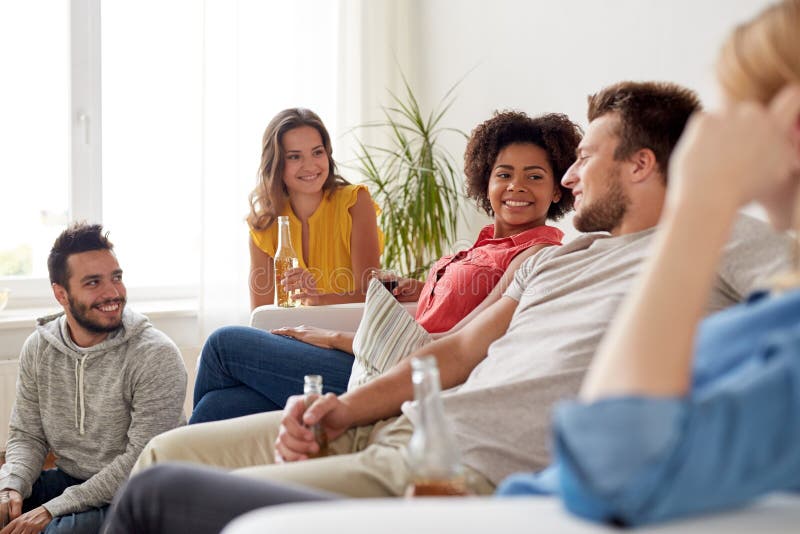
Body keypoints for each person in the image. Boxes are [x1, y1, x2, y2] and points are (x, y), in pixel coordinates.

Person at [101, 81, 790, 533]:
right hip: (393, 425)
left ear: (641, 165)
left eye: (583, 157)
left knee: (155, 502)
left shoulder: (716, 238)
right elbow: (455, 351)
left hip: (453, 467)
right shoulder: (550, 257)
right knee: (162, 454)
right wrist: (339, 409)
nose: (569, 177)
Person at [498, 0, 800, 526]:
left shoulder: (729, 245)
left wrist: (701, 204)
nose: (712, 133)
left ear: (790, 124)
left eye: (735, 113)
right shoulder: (781, 308)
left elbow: (611, 464)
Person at [190, 111, 580, 423]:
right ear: (486, 180)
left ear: (558, 188)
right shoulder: (485, 244)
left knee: (224, 345)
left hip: (395, 374)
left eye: (534, 176)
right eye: (504, 175)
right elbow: (445, 312)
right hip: (380, 357)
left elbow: (455, 345)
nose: (516, 187)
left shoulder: (534, 255)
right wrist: (422, 287)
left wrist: (335, 337)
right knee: (220, 407)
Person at [0, 223, 187, 534]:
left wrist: (51, 510)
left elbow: (138, 463)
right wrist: (11, 486)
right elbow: (28, 435)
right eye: (93, 283)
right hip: (73, 479)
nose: (112, 293)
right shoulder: (39, 347)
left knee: (55, 532)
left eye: (116, 277)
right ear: (61, 294)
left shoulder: (155, 354)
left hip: (141, 492)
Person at [248, 107, 382, 309]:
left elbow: (372, 294)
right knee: (227, 337)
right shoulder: (265, 223)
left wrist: (318, 298)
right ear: (275, 163)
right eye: (294, 156)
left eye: (317, 152)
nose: (310, 165)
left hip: (350, 337)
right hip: (295, 338)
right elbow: (260, 316)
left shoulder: (354, 202)